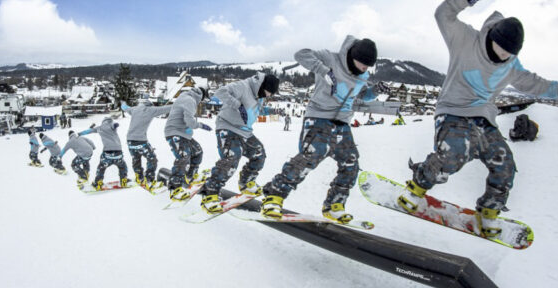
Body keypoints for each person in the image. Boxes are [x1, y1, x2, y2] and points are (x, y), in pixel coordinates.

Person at [401, 0, 558, 237]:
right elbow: (442, 15)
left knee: (504, 163)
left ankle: (488, 210)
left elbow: (538, 84)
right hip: (451, 113)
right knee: (454, 153)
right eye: (500, 49)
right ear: (492, 36)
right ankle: (418, 184)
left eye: (509, 54)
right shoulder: (465, 39)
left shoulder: (511, 65)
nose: (502, 56)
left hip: (483, 120)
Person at [261, 37, 401, 221]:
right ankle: (275, 194)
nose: (365, 69)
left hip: (342, 123)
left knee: (351, 163)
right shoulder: (331, 59)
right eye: (363, 65)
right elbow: (301, 54)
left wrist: (375, 91)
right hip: (318, 117)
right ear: (353, 57)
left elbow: (362, 97)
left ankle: (334, 204)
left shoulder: (362, 76)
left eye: (368, 67)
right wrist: (322, 70)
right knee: (312, 155)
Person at [199, 73, 280, 213]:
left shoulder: (259, 95)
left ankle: (246, 182)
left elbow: (254, 110)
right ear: (263, 86)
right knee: (231, 159)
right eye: (268, 92)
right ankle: (210, 193)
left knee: (259, 154)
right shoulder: (243, 86)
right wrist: (238, 104)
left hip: (245, 131)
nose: (268, 96)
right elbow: (220, 92)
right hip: (227, 127)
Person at [164, 86, 212, 201]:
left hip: (182, 133)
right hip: (174, 132)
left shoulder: (186, 97)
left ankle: (190, 176)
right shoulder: (190, 100)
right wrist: (200, 125)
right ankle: (175, 187)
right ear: (201, 96)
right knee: (183, 156)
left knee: (197, 152)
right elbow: (190, 122)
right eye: (203, 100)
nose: (201, 102)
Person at [121, 100, 173, 190]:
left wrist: (123, 103)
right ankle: (149, 178)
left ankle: (139, 177)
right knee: (152, 159)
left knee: (136, 158)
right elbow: (166, 108)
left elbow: (125, 108)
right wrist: (181, 103)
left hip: (130, 141)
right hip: (140, 141)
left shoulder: (134, 109)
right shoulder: (150, 110)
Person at [80, 116, 128, 189]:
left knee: (101, 167)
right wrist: (115, 125)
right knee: (122, 166)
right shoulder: (111, 124)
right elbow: (114, 125)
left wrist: (79, 134)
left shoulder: (99, 128)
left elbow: (88, 131)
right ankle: (124, 180)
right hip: (118, 153)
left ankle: (98, 182)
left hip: (107, 153)